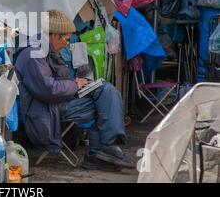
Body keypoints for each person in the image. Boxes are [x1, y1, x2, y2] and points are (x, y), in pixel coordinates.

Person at [14, 10, 135, 171]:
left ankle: (105, 149)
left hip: (55, 102)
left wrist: (79, 83)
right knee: (105, 105)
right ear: (54, 35)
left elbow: (56, 82)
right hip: (44, 108)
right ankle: (100, 151)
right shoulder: (34, 55)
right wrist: (75, 85)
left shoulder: (45, 50)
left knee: (105, 91)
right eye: (66, 39)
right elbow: (48, 90)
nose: (66, 43)